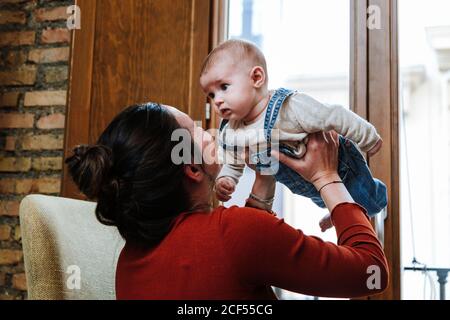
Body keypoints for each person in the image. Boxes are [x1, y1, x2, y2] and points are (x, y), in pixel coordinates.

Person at [66, 102, 389, 300]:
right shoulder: (236, 233)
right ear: (192, 168)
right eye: (195, 129)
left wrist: (264, 177)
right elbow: (370, 271)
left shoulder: (130, 260)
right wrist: (326, 177)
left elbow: (225, 268)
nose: (209, 131)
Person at [199, 39, 387, 231]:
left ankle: (372, 196)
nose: (217, 100)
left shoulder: (289, 108)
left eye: (223, 87)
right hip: (309, 185)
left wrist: (367, 137)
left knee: (369, 199)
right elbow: (233, 159)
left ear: (256, 78)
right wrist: (227, 179)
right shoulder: (231, 130)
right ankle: (335, 211)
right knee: (330, 201)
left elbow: (332, 115)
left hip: (343, 168)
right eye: (211, 95)